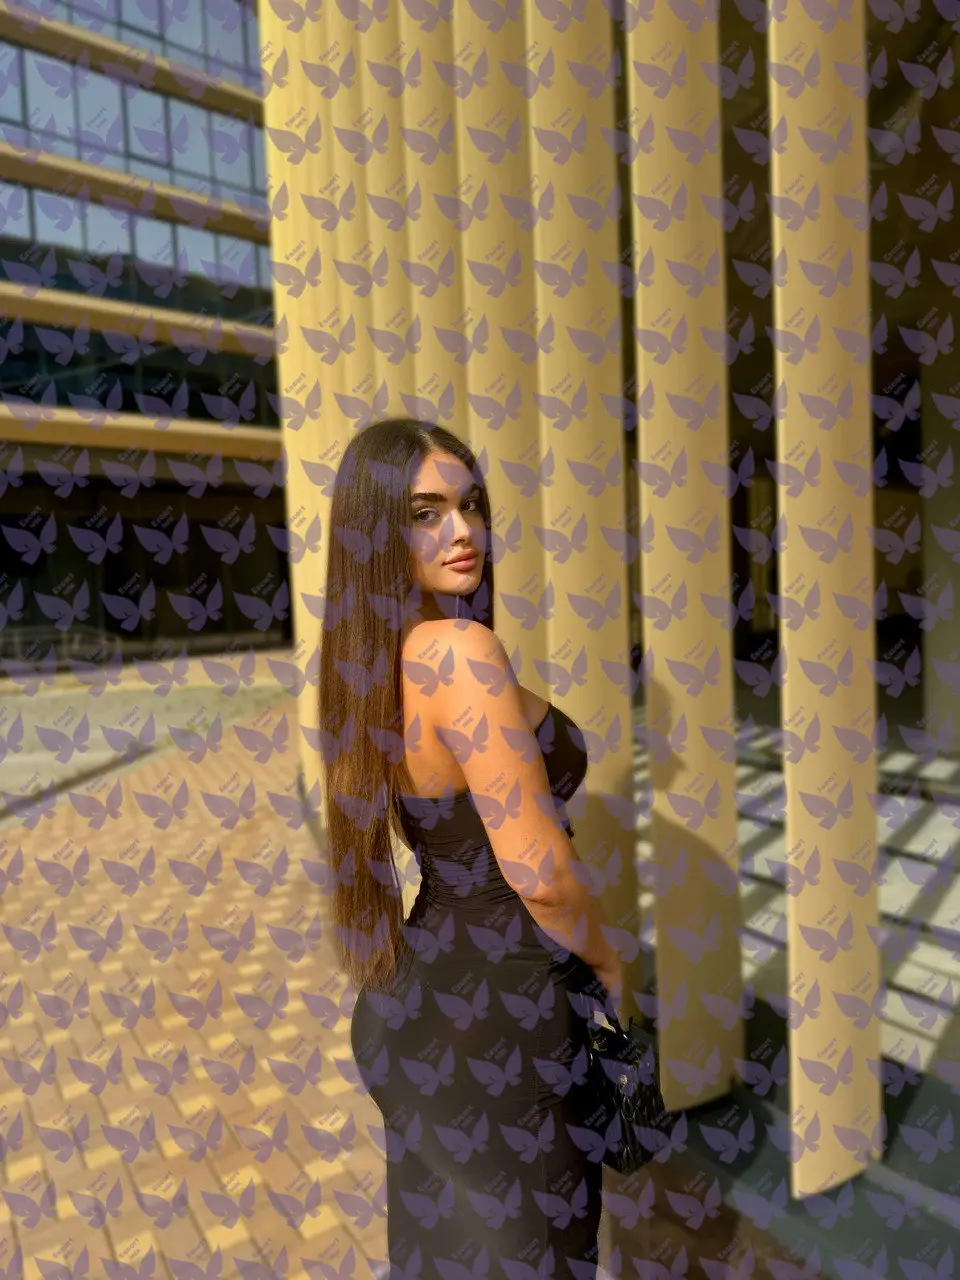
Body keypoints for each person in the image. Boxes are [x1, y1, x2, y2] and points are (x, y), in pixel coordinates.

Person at [319, 417, 624, 1279]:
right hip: (501, 1012)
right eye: (426, 513)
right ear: (377, 531)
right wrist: (614, 968)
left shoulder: (370, 658)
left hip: (417, 1000)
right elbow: (542, 875)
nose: (463, 531)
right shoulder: (457, 653)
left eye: (472, 505)